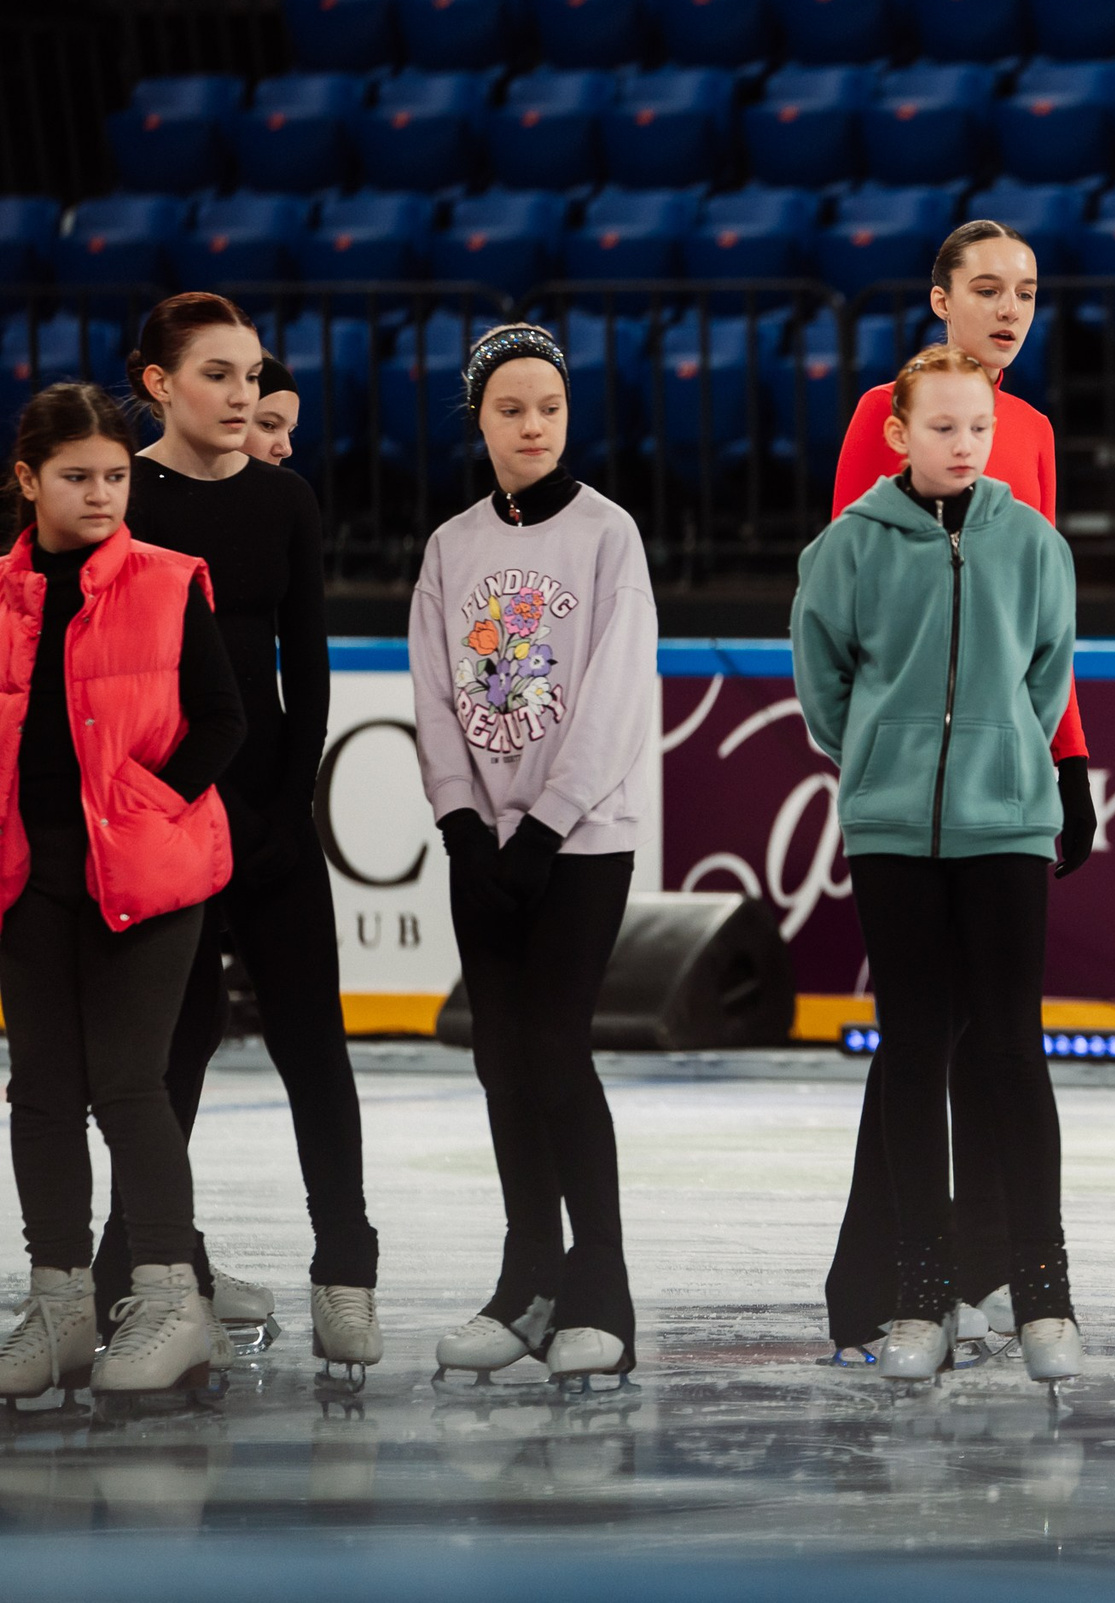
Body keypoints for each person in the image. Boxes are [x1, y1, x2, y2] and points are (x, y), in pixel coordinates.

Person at [821, 220, 1092, 1357]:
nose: (1008, 308)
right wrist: (883, 757)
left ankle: (989, 1269)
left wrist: (1061, 759)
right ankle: (880, 1283)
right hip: (907, 784)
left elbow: (1041, 633)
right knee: (918, 1039)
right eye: (985, 288)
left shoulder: (1026, 427)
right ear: (939, 299)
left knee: (996, 1040)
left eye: (1024, 291)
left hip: (1005, 783)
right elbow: (852, 601)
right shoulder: (884, 417)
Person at [116, 301, 380, 1381]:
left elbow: (307, 671)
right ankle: (148, 1277)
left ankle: (346, 1271)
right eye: (216, 375)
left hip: (268, 820)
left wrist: (283, 810)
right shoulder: (117, 495)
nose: (239, 396)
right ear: (157, 383)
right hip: (159, 820)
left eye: (251, 374)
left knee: (313, 1047)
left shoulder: (284, 499)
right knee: (166, 1063)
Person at [410, 323, 658, 1390]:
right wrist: (463, 823)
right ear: (480, 419)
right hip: (486, 840)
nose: (530, 425)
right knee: (499, 1057)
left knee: (554, 1049)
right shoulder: (450, 546)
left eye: (547, 408)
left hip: (583, 840)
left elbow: (613, 694)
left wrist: (548, 824)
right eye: (510, 409)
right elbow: (433, 694)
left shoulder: (608, 536)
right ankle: (528, 1280)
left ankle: (601, 1289)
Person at [0, 382, 245, 1405]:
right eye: (78, 478)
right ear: (28, 482)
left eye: (114, 477)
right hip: (27, 874)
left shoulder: (169, 579)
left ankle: (169, 1299)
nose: (103, 496)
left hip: (145, 869)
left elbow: (225, 724)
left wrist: (151, 804)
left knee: (127, 1086)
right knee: (40, 1090)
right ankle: (57, 1306)